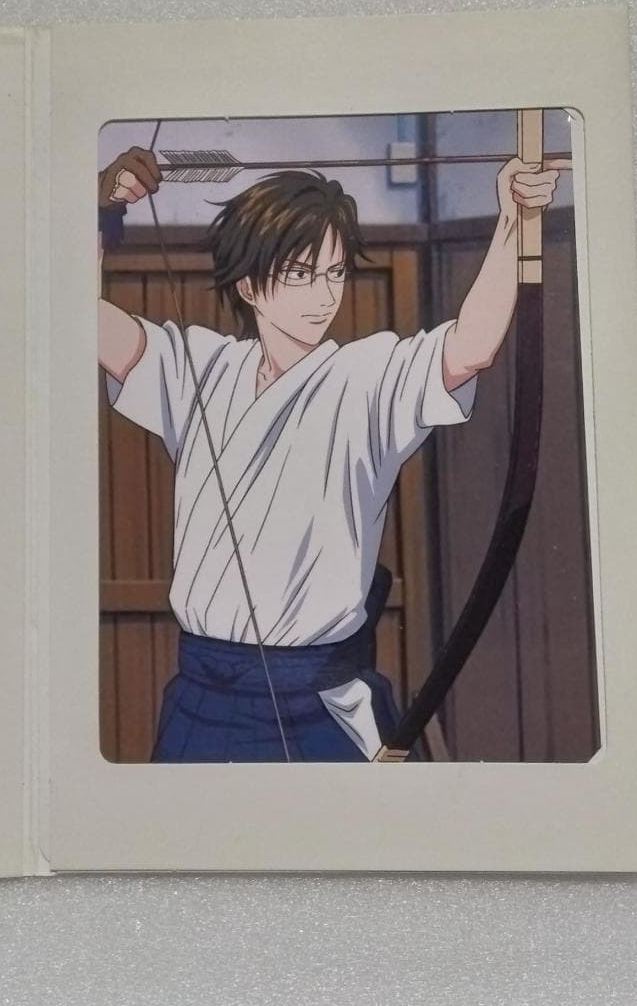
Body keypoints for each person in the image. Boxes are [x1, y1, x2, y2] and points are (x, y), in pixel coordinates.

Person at [97, 145, 561, 763]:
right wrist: (100, 212)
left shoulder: (367, 378)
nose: (323, 294)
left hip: (319, 702)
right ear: (248, 284)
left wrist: (511, 223)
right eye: (300, 273)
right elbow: (87, 319)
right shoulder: (201, 368)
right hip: (202, 697)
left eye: (335, 273)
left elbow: (470, 347)